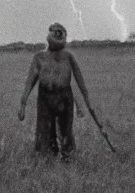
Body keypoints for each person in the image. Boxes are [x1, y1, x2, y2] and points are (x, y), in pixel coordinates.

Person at [17, 23, 95, 162]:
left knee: (66, 128)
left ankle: (68, 156)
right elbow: (30, 81)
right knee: (44, 128)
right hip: (45, 96)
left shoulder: (68, 56)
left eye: (61, 33)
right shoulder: (39, 57)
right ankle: (47, 156)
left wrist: (86, 103)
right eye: (56, 32)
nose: (58, 35)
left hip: (64, 96)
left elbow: (79, 81)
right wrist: (23, 103)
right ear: (49, 34)